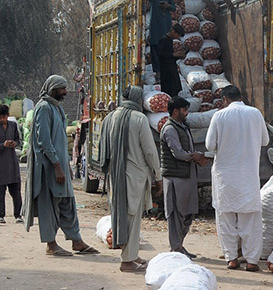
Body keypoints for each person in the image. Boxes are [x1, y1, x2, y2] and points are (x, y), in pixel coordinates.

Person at [22, 75, 99, 256]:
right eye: (62, 89)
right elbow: (44, 141)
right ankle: (51, 244)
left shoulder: (56, 108)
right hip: (48, 169)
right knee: (49, 206)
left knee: (68, 203)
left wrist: (66, 166)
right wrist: (56, 165)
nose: (65, 92)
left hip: (61, 166)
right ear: (53, 89)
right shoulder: (43, 108)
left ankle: (76, 241)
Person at [99, 86, 162, 272]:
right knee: (132, 217)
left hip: (115, 175)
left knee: (122, 214)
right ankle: (127, 261)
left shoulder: (110, 117)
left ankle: (131, 254)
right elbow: (149, 150)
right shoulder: (139, 118)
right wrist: (157, 175)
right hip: (134, 175)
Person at [206, 85, 270, 272]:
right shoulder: (255, 113)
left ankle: (232, 258)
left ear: (225, 99)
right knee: (250, 218)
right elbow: (265, 141)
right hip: (248, 175)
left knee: (225, 217)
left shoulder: (219, 116)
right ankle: (251, 261)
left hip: (225, 176)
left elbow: (210, 145)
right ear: (240, 97)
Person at [161, 96, 208, 258]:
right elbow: (178, 153)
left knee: (188, 212)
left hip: (186, 176)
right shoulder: (169, 129)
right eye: (184, 110)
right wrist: (195, 156)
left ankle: (179, 245)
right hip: (175, 177)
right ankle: (176, 248)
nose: (187, 113)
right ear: (175, 111)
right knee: (176, 214)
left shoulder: (182, 126)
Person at [146, 0, 176, 78]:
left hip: (165, 24)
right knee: (155, 48)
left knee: (166, 47)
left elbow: (174, 8)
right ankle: (158, 72)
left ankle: (166, 70)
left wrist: (167, 6)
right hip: (155, 24)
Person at [0, 104, 22, 224]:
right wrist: (2, 145)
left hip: (12, 163)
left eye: (4, 117)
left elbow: (18, 140)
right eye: (0, 117)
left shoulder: (13, 125)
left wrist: (14, 143)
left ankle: (18, 215)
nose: (2, 120)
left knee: (16, 191)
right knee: (1, 192)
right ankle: (1, 215)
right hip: (1, 164)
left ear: (8, 116)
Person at [156, 22, 186, 97]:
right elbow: (160, 53)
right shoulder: (163, 39)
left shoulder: (169, 40)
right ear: (173, 31)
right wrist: (173, 54)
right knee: (169, 90)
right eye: (177, 35)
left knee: (175, 88)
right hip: (166, 70)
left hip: (171, 68)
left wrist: (178, 56)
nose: (177, 37)